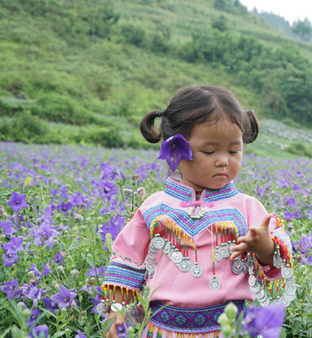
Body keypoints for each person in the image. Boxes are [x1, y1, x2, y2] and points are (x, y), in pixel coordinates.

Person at [99, 85, 294, 337]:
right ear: (175, 150)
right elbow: (127, 263)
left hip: (228, 329)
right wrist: (117, 313)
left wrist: (265, 247)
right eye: (209, 151)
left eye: (234, 150)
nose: (224, 160)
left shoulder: (248, 208)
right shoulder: (154, 208)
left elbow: (277, 264)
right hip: (162, 329)